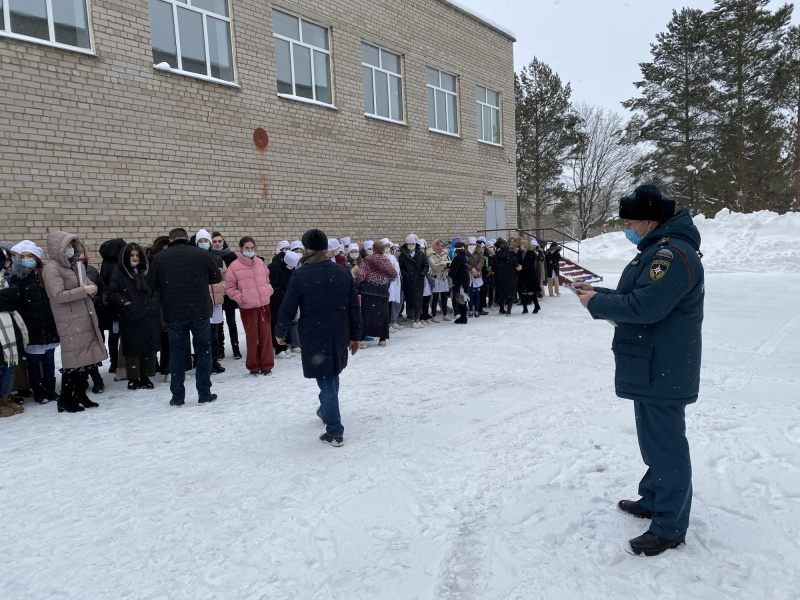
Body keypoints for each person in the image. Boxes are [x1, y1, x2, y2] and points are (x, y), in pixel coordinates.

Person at [575, 184, 704, 556]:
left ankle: (669, 526)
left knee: (666, 445)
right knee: (653, 440)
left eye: (632, 222)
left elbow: (646, 307)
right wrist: (599, 294)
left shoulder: (672, 255)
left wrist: (597, 304)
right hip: (650, 362)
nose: (628, 228)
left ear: (651, 221)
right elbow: (638, 295)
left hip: (663, 364)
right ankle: (653, 497)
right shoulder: (657, 250)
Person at [274, 229, 361, 447]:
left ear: (306, 249)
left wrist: (280, 330)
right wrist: (355, 336)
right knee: (331, 373)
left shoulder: (301, 274)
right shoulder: (342, 272)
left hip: (315, 334)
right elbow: (354, 308)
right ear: (325, 248)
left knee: (327, 379)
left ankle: (334, 431)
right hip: (338, 332)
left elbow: (288, 306)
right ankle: (325, 410)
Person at [148, 228, 221, 406]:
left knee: (177, 354)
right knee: (204, 351)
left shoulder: (160, 257)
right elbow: (216, 277)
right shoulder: (201, 254)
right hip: (200, 310)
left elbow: (151, 283)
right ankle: (204, 392)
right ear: (187, 239)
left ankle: (177, 396)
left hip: (174, 312)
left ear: (171, 240)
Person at [43, 231, 108, 413]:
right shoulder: (52, 268)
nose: (70, 249)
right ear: (58, 247)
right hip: (69, 320)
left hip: (85, 316)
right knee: (74, 361)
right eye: (67, 246)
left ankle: (80, 394)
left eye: (73, 245)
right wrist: (83, 291)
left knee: (86, 359)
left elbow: (89, 284)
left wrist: (91, 288)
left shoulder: (75, 265)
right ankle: (66, 398)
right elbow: (58, 295)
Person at [8, 240, 60, 404]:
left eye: (30, 256)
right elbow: (17, 303)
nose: (26, 259)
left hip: (48, 324)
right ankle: (38, 391)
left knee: (49, 359)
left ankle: (51, 390)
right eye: (23, 257)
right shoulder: (19, 277)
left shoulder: (45, 275)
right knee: (34, 362)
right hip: (31, 326)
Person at [105, 242, 162, 391]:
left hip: (149, 314)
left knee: (149, 346)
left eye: (137, 255)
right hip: (131, 316)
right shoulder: (119, 272)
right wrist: (127, 304)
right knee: (133, 347)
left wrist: (154, 301)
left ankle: (146, 375)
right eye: (132, 255)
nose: (135, 258)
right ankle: (133, 377)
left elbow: (156, 287)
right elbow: (112, 293)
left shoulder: (146, 270)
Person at [224, 236, 275, 376]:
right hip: (248, 307)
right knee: (252, 337)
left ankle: (267, 365)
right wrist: (241, 298)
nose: (250, 250)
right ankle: (253, 366)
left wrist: (268, 290)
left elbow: (267, 279)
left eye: (252, 248)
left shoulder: (260, 263)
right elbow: (229, 287)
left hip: (264, 304)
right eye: (247, 248)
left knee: (265, 336)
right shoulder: (234, 266)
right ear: (241, 249)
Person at [195, 229, 227, 375]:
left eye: (205, 241)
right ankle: (204, 362)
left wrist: (222, 289)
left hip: (216, 302)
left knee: (214, 335)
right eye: (200, 241)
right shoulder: (193, 258)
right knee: (203, 336)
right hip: (201, 302)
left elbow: (225, 278)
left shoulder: (218, 260)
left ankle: (214, 360)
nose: (203, 244)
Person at [0, 247, 27, 417]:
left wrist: (8, 296)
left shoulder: (5, 278)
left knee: (8, 367)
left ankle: (5, 395)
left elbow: (14, 297)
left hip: (9, 329)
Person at [354, 241, 396, 347]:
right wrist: (386, 282)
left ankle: (363, 339)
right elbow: (393, 274)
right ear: (382, 249)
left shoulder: (368, 260)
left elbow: (361, 275)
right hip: (382, 291)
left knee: (366, 315)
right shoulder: (386, 260)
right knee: (382, 315)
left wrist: (357, 284)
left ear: (373, 249)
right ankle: (382, 339)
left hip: (368, 290)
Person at [210, 231, 242, 360]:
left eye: (219, 241)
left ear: (223, 242)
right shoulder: (209, 256)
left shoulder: (231, 255)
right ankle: (220, 350)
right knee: (219, 324)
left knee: (232, 322)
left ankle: (236, 348)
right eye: (215, 241)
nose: (217, 244)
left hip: (229, 295)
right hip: (216, 294)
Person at [269, 249, 300, 358]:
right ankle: (278, 348)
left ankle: (286, 346)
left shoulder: (290, 268)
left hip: (286, 298)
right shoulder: (274, 267)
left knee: (288, 322)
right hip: (275, 300)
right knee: (277, 323)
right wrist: (285, 294)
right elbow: (273, 286)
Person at [398, 234, 429, 329]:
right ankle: (412, 317)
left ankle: (417, 318)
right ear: (407, 245)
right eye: (409, 244)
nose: (411, 245)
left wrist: (422, 273)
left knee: (418, 299)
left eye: (413, 243)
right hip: (408, 281)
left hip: (418, 280)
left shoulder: (421, 254)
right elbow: (401, 267)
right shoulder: (403, 255)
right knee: (410, 299)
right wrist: (406, 275)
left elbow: (426, 265)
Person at [492, 238, 521, 315]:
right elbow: (516, 266)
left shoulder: (497, 256)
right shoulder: (512, 255)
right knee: (511, 293)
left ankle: (501, 308)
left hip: (499, 277)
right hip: (510, 276)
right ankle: (509, 310)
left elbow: (493, 267)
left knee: (501, 293)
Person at [427, 239, 451, 321]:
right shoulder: (431, 255)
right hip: (436, 278)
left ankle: (445, 314)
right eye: (439, 246)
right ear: (435, 246)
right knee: (435, 297)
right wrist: (444, 265)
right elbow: (434, 266)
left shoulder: (445, 253)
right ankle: (434, 315)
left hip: (444, 277)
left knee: (444, 297)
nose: (441, 248)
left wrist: (443, 264)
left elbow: (450, 263)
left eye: (441, 246)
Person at [517, 239, 542, 314]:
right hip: (522, 275)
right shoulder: (521, 253)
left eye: (523, 244)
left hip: (530, 275)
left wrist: (522, 266)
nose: (521, 246)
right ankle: (525, 308)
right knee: (523, 292)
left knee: (531, 292)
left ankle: (536, 305)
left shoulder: (531, 253)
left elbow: (530, 265)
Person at [448, 239, 470, 324]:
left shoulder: (458, 258)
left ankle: (463, 317)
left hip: (460, 281)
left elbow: (454, 270)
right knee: (463, 298)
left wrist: (450, 272)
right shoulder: (464, 257)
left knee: (461, 299)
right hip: (464, 281)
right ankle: (463, 316)